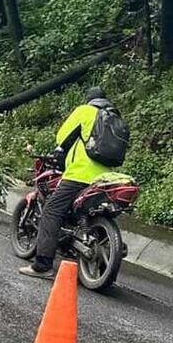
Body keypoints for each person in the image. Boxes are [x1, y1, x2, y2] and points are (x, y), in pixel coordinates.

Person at [19, 87, 115, 279]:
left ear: (89, 100)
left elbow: (62, 136)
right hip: (105, 178)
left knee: (51, 211)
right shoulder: (113, 118)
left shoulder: (86, 111)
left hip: (79, 175)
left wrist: (61, 151)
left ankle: (43, 265)